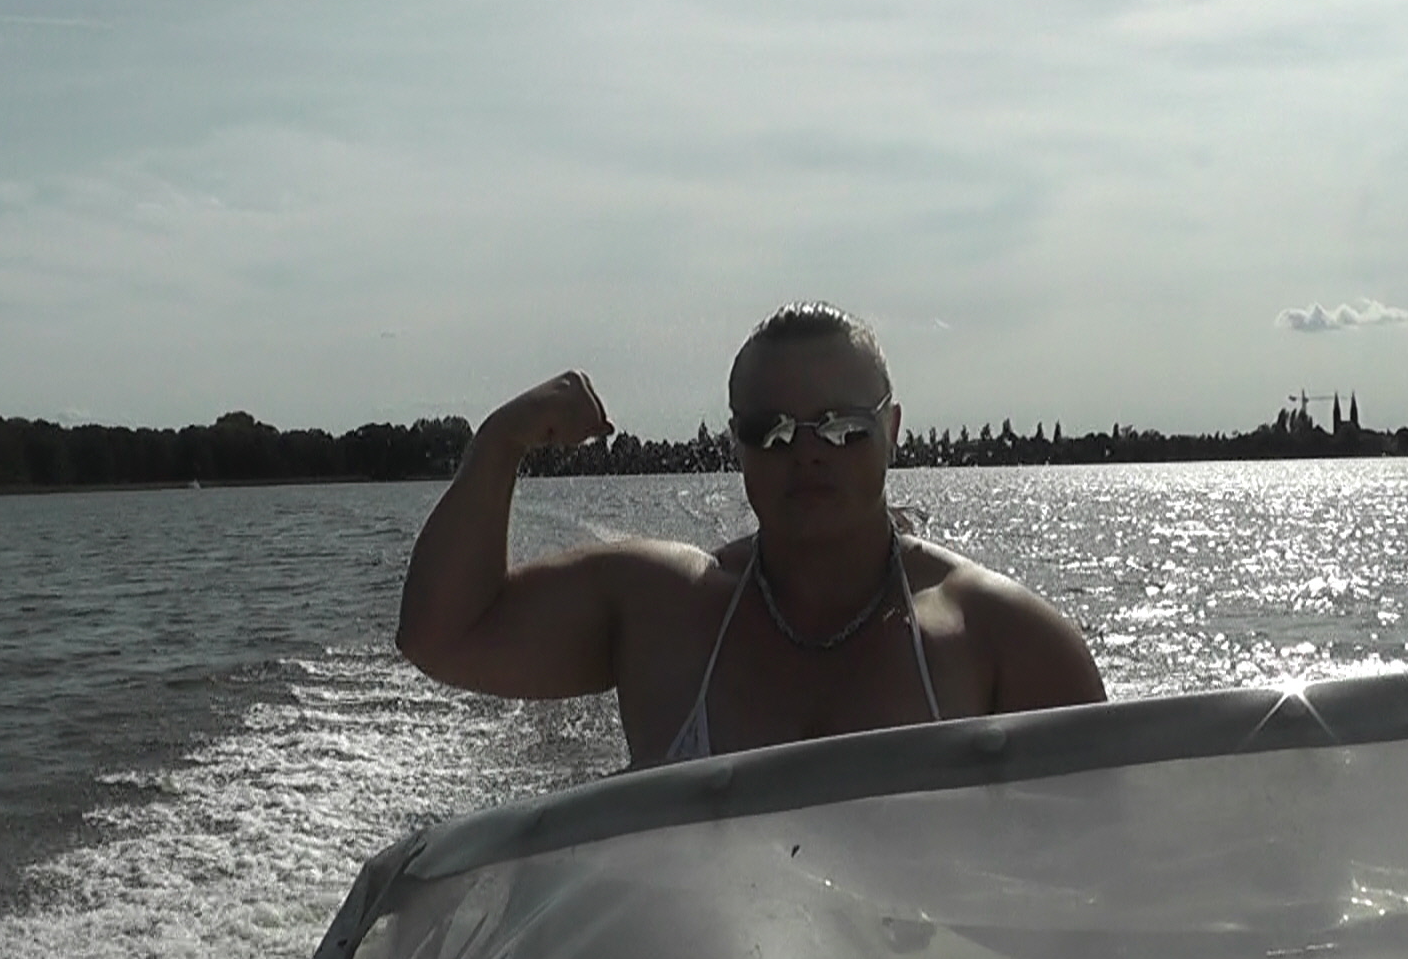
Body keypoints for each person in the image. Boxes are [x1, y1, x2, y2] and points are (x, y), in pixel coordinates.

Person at [396, 302, 1106, 767]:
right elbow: (443, 636)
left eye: (842, 427)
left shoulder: (1001, 637)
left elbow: (1107, 866)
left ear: (891, 431)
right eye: (772, 431)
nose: (809, 452)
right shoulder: (665, 610)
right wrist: (500, 443)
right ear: (736, 442)